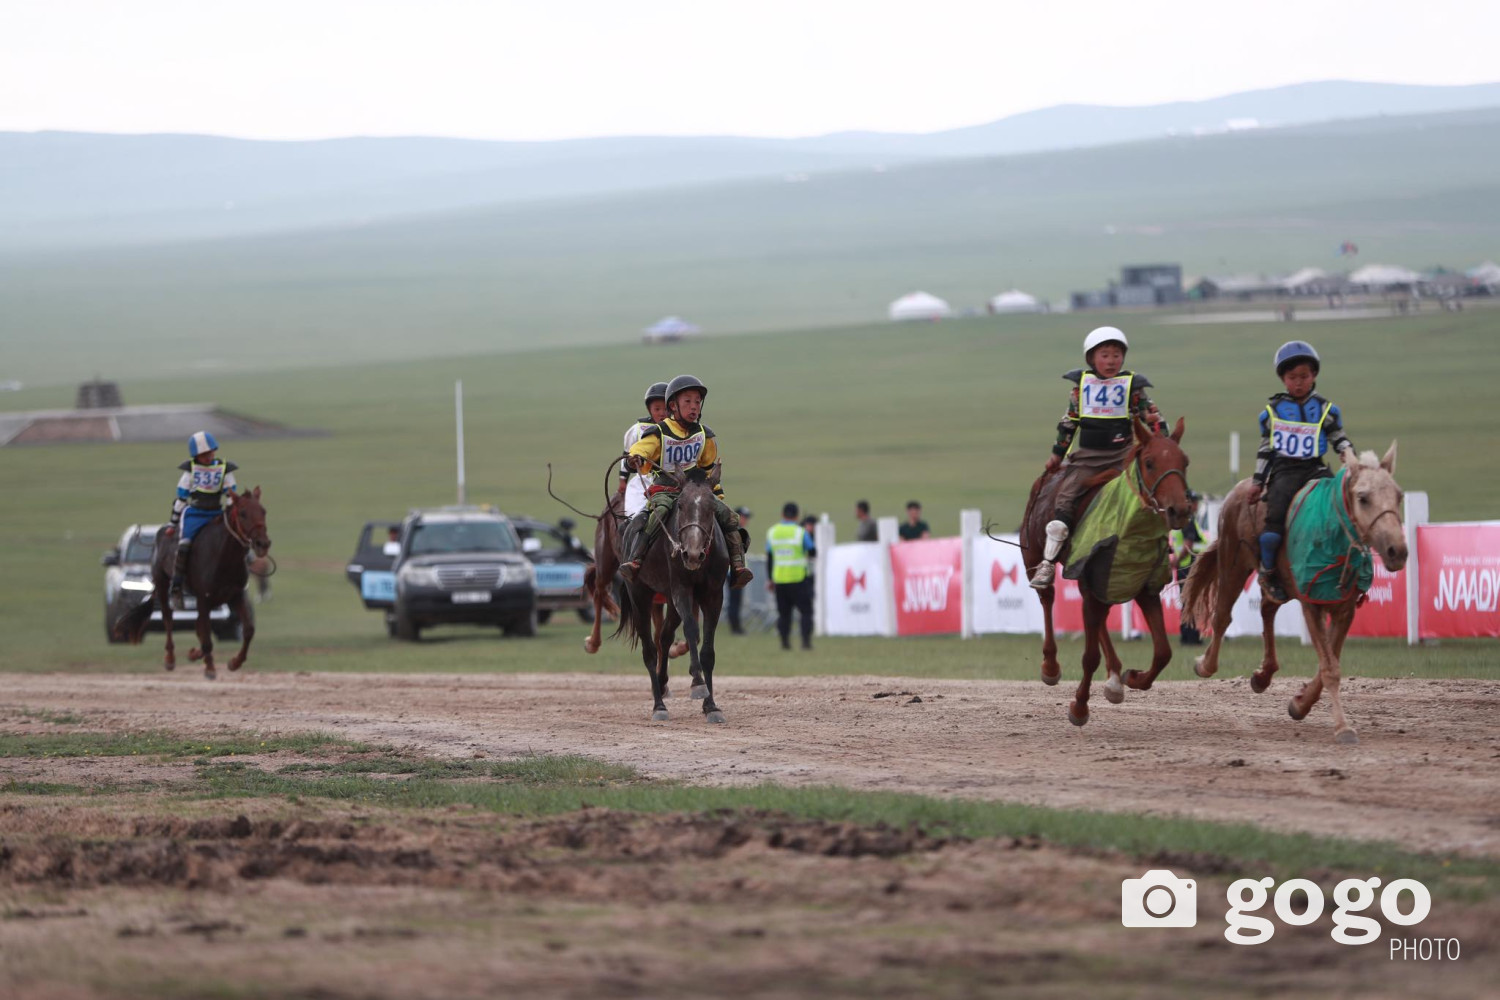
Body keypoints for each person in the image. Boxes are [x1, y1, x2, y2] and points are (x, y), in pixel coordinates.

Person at [1030, 326, 1164, 589]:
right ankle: (1047, 564)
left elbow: (1153, 420)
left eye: (1116, 355)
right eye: (1104, 355)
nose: (1111, 360)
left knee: (1155, 492)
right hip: (1087, 460)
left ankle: (1160, 549)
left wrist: (1160, 434)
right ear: (1091, 358)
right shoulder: (1080, 387)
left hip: (1124, 458)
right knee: (1064, 502)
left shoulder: (1132, 386)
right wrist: (1057, 455)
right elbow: (1069, 423)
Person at [1246, 341, 1355, 603]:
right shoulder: (1274, 412)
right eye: (1292, 377)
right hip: (1285, 471)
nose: (1298, 383)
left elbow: (1338, 438)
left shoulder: (1325, 409)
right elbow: (1266, 450)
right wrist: (1258, 482)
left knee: (1338, 507)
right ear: (1283, 379)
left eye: (1304, 377)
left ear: (1314, 376)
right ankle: (1269, 571)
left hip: (1315, 468)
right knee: (1275, 520)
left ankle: (1344, 564)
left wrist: (1349, 455)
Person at [619, 374, 753, 587]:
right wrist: (636, 456)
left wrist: (716, 495)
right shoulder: (659, 432)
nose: (694, 407)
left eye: (697, 402)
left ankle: (738, 567)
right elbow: (642, 449)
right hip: (665, 486)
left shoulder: (704, 435)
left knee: (728, 516)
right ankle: (636, 560)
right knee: (660, 511)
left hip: (695, 488)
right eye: (688, 402)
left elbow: (709, 470)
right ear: (673, 405)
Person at [168, 431, 239, 607]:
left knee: (238, 540)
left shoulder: (224, 469)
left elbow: (231, 494)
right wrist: (173, 523)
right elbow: (181, 499)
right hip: (195, 514)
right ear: (196, 455)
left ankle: (241, 575)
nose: (208, 457)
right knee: (184, 545)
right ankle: (176, 586)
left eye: (210, 453)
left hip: (217, 513)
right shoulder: (189, 472)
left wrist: (231, 510)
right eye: (203, 454)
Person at [767, 502, 813, 650]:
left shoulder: (772, 532)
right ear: (797, 515)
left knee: (784, 614)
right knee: (806, 611)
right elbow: (812, 551)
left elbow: (770, 558)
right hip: (798, 578)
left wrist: (770, 578)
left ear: (782, 514)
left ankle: (784, 642)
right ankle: (805, 642)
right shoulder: (800, 532)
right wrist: (809, 533)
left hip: (780, 579)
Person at [620, 382, 670, 517]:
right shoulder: (638, 430)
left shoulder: (683, 430)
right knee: (634, 516)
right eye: (657, 409)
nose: (662, 414)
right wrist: (623, 480)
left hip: (676, 481)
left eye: (665, 409)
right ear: (650, 410)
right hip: (645, 481)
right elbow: (627, 455)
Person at [1170, 490, 1205, 645]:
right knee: (1191, 603)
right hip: (1189, 566)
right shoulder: (1188, 520)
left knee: (1188, 603)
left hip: (1185, 567)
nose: (1197, 504)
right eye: (1195, 501)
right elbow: (1188, 545)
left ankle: (1187, 636)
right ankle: (1191, 637)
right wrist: (1177, 561)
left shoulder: (1183, 520)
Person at [726, 505, 753, 634]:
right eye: (744, 517)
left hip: (736, 569)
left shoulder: (737, 530)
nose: (746, 520)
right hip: (733, 570)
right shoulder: (733, 531)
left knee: (735, 599)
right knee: (735, 599)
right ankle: (735, 626)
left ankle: (735, 625)